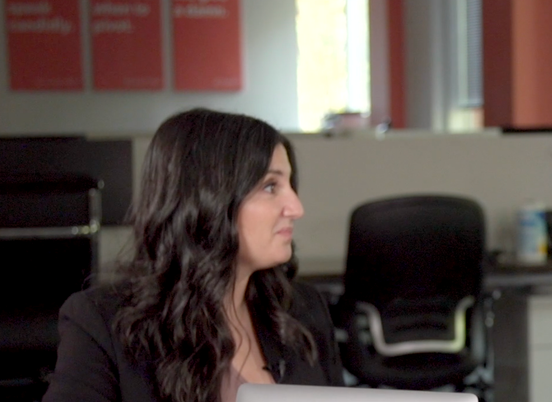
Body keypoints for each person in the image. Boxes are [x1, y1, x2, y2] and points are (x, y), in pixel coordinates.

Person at [42, 109, 344, 402]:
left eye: (289, 184)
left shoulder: (304, 311)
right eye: (269, 186)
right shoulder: (103, 325)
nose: (296, 208)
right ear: (208, 199)